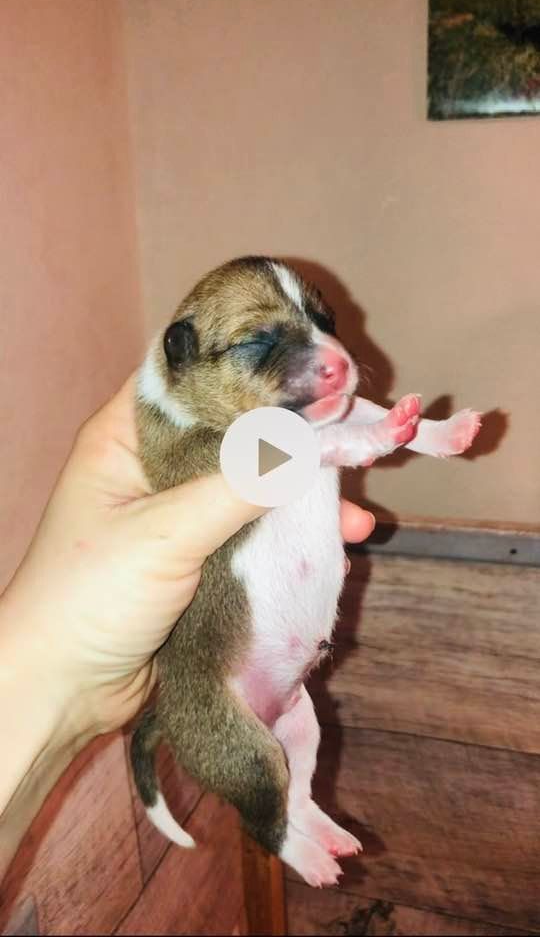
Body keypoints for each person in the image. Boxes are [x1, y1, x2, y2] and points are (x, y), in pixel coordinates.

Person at [0, 375, 375, 879]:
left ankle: (300, 805)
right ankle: (278, 834)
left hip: (243, 648)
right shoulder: (226, 439)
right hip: (227, 668)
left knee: (303, 733)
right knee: (271, 755)